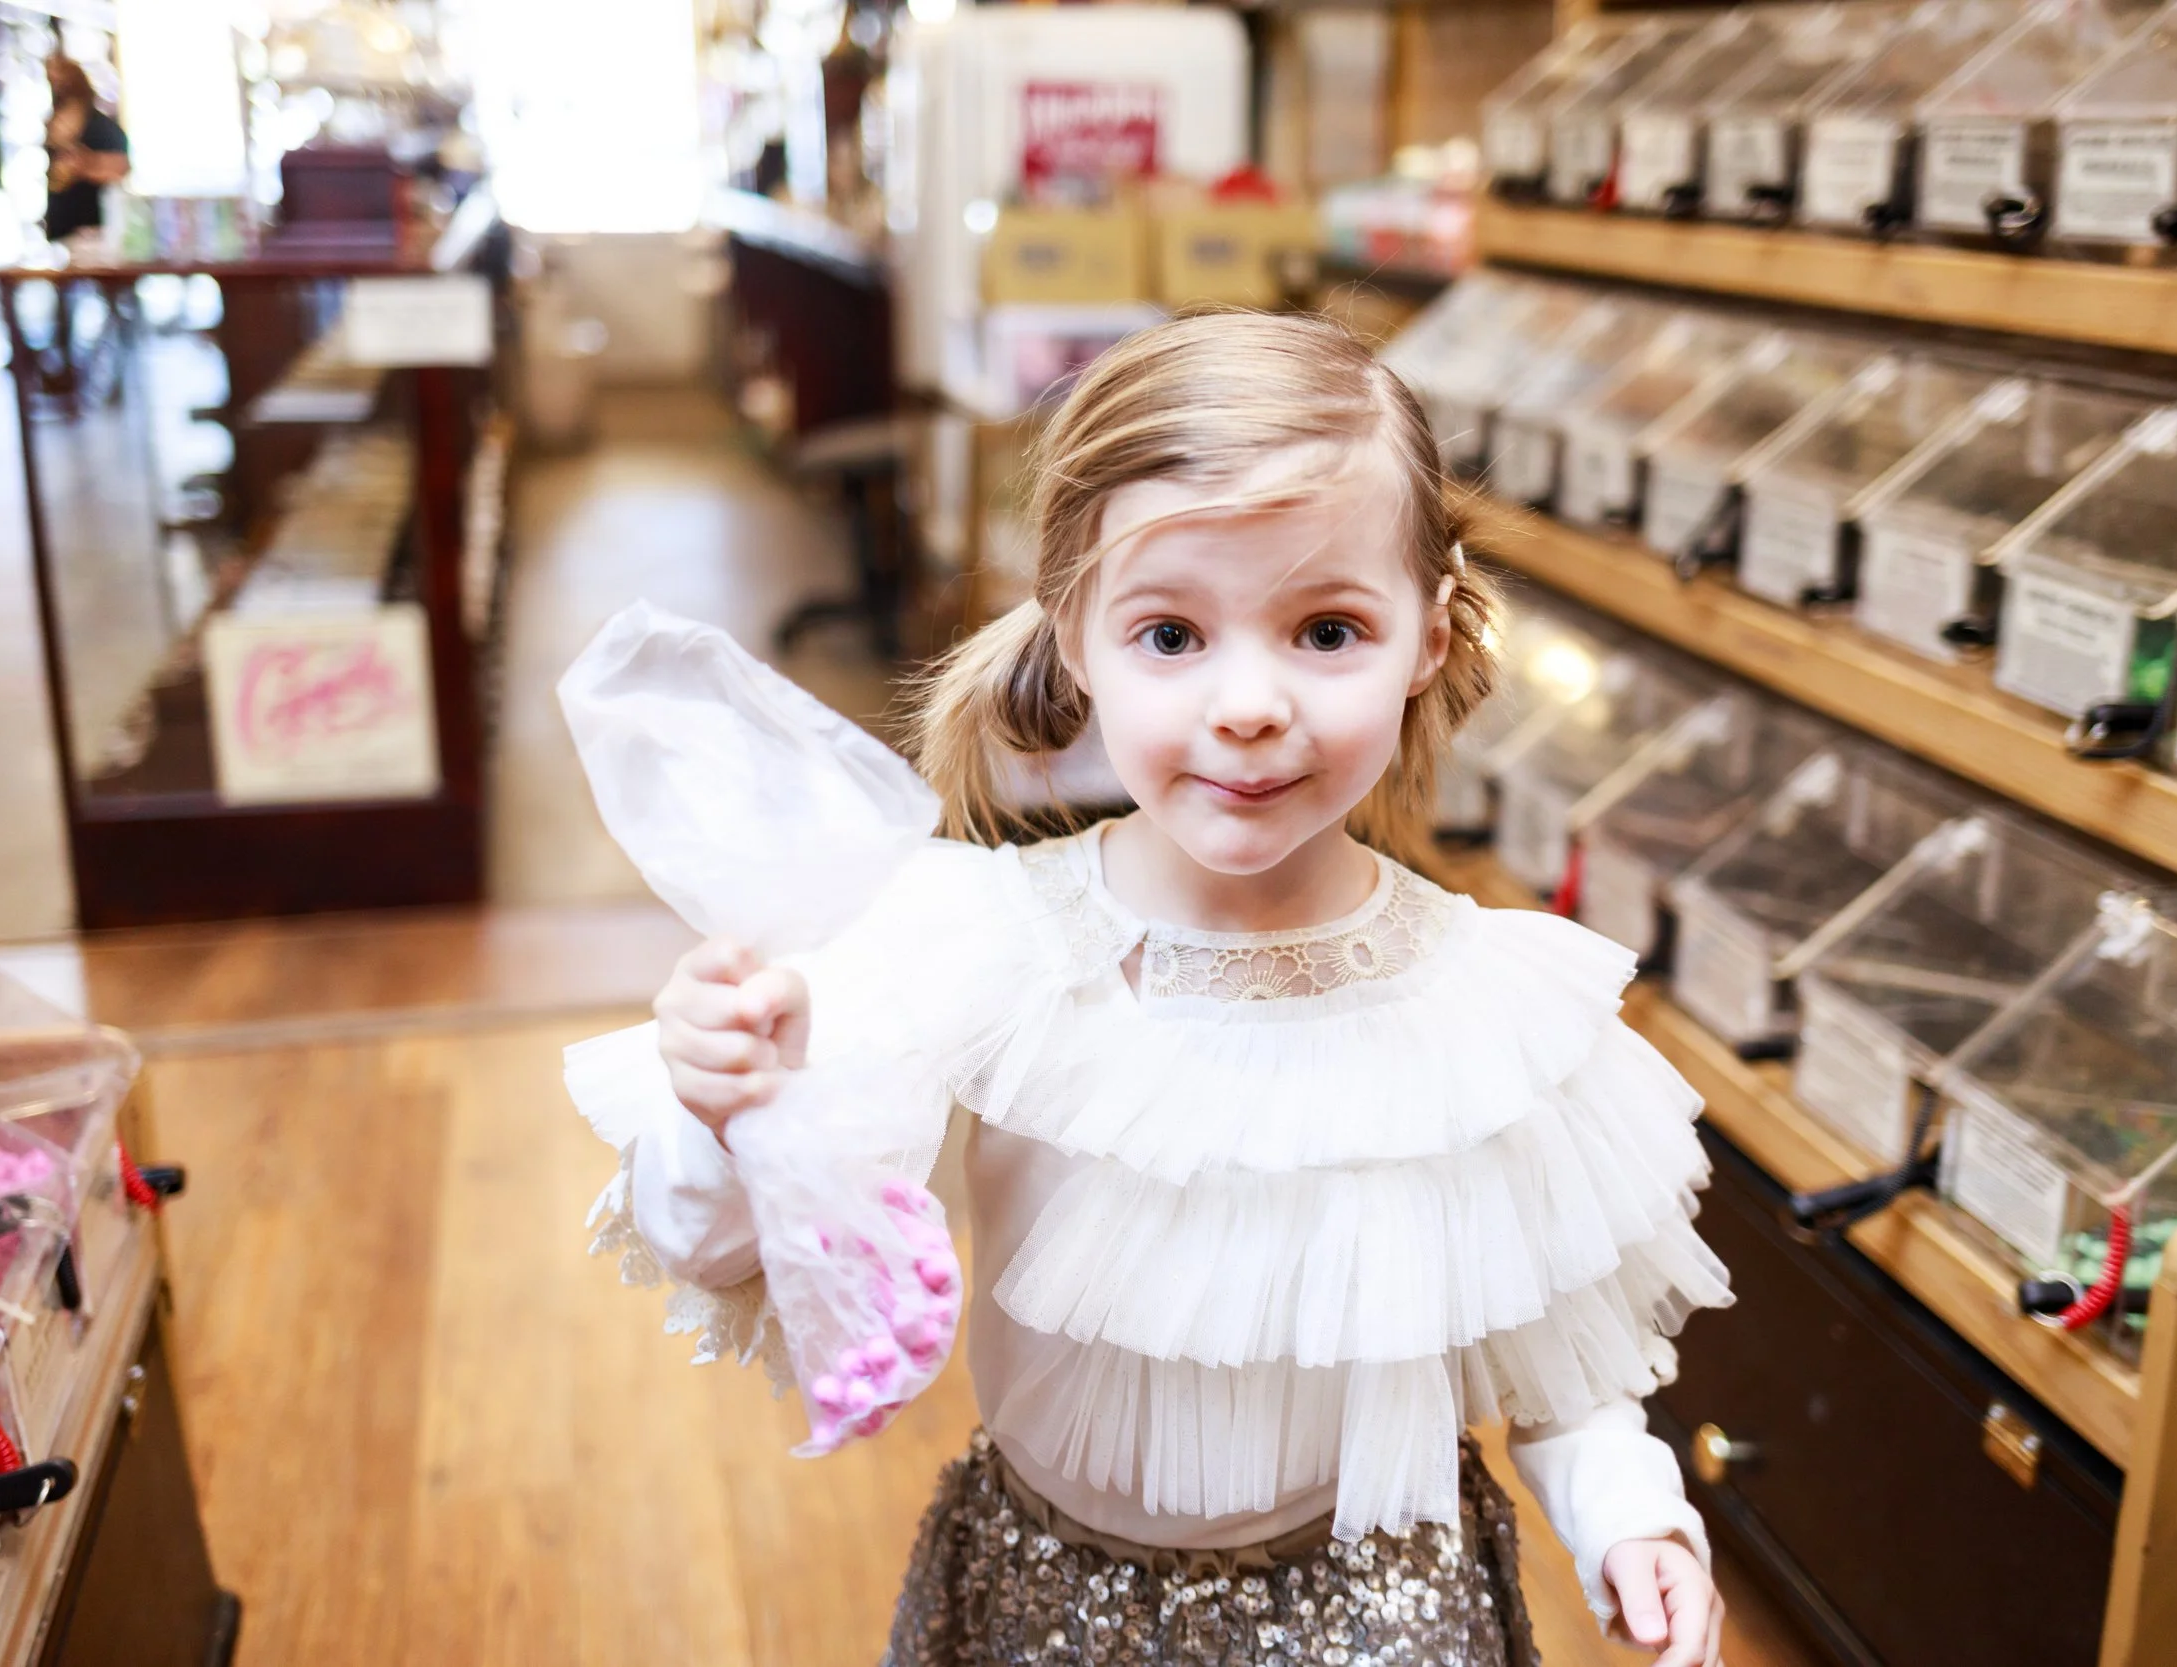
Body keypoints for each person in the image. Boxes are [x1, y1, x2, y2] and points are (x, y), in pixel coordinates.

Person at [571, 311, 1731, 1666]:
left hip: (1388, 1614)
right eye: (1172, 633)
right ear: (1074, 635)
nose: (1248, 703)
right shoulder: (978, 939)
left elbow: (1557, 1355)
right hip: (1047, 1607)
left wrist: (1629, 1514)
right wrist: (724, 1111)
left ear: (1432, 631)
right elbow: (735, 1250)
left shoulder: (1483, 1002)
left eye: (1328, 628)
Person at [42, 56, 128, 243]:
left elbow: (122, 168)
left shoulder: (101, 127)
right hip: (63, 223)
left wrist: (85, 164)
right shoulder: (53, 121)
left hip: (94, 221)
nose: (57, 86)